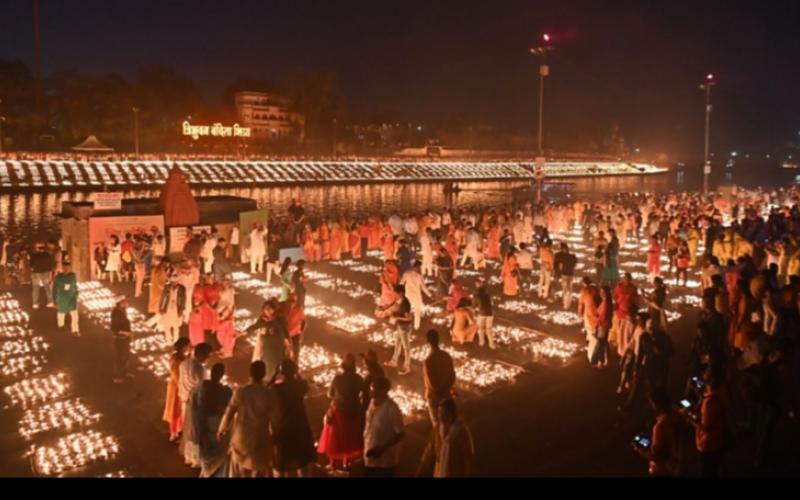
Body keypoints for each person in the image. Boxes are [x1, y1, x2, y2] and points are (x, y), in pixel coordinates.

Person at [218, 361, 277, 478]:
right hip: (259, 438)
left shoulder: (242, 391)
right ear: (264, 374)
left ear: (250, 374)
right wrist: (275, 436)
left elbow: (229, 412)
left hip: (241, 437)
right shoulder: (269, 394)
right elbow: (274, 418)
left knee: (239, 469)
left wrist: (221, 429)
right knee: (257, 470)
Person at [318, 354, 366, 470]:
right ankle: (347, 463)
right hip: (354, 411)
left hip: (339, 412)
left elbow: (330, 394)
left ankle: (333, 464)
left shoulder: (338, 379)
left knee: (336, 439)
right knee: (351, 438)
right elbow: (365, 393)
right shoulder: (358, 378)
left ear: (343, 366)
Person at [271, 359, 316, 477]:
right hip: (300, 426)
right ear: (294, 371)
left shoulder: (277, 389)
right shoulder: (299, 386)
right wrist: (297, 373)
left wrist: (275, 374)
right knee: (302, 462)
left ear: (282, 372)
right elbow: (305, 385)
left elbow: (267, 388)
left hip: (283, 426)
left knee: (281, 464)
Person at [416, 399, 475, 478]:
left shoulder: (461, 432)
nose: (440, 416)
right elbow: (429, 451)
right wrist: (421, 470)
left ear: (452, 414)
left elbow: (468, 456)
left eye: (444, 413)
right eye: (439, 413)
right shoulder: (438, 429)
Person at [687, 368, 729, 477]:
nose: (703, 373)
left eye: (706, 373)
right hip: (718, 439)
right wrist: (701, 396)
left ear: (711, 379)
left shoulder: (709, 403)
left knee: (707, 472)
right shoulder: (718, 393)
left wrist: (690, 419)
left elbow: (706, 428)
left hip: (708, 445)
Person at [194, 363, 233, 478]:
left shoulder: (202, 387)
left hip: (203, 424)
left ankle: (206, 473)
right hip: (218, 425)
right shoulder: (225, 391)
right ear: (222, 375)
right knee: (220, 456)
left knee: (206, 453)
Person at [634, 389, 682, 477]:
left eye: (651, 403)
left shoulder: (660, 426)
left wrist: (640, 450)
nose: (651, 406)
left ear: (656, 405)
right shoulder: (676, 416)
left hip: (661, 471)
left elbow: (656, 456)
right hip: (675, 466)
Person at [363, 377, 405, 477]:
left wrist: (382, 448)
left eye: (373, 389)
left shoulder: (392, 409)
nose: (370, 391)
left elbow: (401, 434)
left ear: (382, 391)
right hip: (370, 454)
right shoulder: (372, 403)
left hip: (385, 460)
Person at [180, 343, 213, 469]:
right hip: (195, 403)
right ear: (202, 354)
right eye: (208, 356)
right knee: (196, 431)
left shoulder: (184, 363)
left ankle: (188, 457)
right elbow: (203, 388)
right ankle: (196, 459)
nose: (208, 359)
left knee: (188, 430)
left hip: (185, 400)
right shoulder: (200, 369)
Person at [248, 300, 289, 381]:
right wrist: (243, 332)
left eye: (270, 309)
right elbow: (254, 326)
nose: (268, 311)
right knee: (266, 362)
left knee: (276, 362)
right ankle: (267, 378)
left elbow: (284, 331)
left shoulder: (279, 319)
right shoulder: (262, 320)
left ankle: (276, 378)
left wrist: (287, 343)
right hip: (266, 346)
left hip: (277, 345)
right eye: (266, 309)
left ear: (274, 309)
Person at [423, 330, 456, 426]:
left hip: (435, 398)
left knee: (438, 426)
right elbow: (452, 376)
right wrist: (449, 388)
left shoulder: (429, 361)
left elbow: (432, 384)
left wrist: (428, 393)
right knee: (449, 423)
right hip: (447, 395)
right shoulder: (446, 356)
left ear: (428, 342)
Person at [164, 338, 191, 443]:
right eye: (188, 346)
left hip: (179, 386)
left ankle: (179, 430)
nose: (189, 348)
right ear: (184, 347)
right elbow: (177, 376)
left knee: (180, 410)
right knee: (175, 410)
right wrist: (183, 388)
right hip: (177, 388)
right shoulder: (176, 360)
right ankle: (173, 434)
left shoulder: (180, 357)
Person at [386, 287, 413, 375]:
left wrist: (397, 317)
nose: (395, 295)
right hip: (400, 326)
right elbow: (394, 307)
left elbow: (408, 318)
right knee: (397, 343)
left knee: (406, 347)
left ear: (401, 293)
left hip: (405, 327)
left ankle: (407, 367)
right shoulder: (399, 301)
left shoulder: (405, 304)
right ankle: (394, 361)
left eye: (396, 294)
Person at [400, 261, 433, 331]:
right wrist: (430, 295)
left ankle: (411, 326)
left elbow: (401, 283)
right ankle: (414, 326)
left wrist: (430, 295)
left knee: (411, 311)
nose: (419, 269)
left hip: (410, 295)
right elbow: (423, 287)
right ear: (416, 267)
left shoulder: (411, 274)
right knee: (415, 311)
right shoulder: (416, 275)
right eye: (419, 267)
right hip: (413, 296)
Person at [110, 295, 135, 383]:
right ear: (120, 303)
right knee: (119, 357)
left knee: (125, 357)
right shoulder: (116, 313)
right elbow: (115, 329)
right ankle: (118, 376)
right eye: (125, 301)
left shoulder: (123, 311)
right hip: (119, 339)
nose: (127, 302)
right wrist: (127, 333)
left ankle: (124, 373)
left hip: (125, 338)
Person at [52, 261, 79, 336]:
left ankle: (75, 330)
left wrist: (76, 292)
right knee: (61, 313)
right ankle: (61, 325)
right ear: (62, 268)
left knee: (74, 315)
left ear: (70, 268)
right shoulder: (58, 278)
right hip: (62, 298)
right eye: (65, 267)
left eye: (68, 267)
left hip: (71, 297)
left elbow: (75, 284)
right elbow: (54, 289)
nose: (66, 269)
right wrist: (54, 300)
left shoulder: (72, 275)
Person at [159, 275, 187, 344]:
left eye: (175, 282)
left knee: (176, 325)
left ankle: (176, 340)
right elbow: (162, 297)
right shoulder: (167, 287)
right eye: (172, 282)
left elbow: (183, 299)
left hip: (176, 308)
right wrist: (161, 307)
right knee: (166, 324)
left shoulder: (182, 288)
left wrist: (181, 309)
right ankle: (168, 339)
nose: (173, 283)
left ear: (178, 282)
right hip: (167, 307)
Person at [30, 241, 55, 309]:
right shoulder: (47, 255)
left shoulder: (34, 255)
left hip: (36, 273)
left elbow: (31, 265)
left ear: (37, 248)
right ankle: (50, 302)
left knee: (36, 288)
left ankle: (35, 303)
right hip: (45, 272)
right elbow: (51, 264)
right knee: (47, 287)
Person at [554, 243, 578, 310]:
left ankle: (565, 304)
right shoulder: (573, 256)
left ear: (564, 250)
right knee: (570, 290)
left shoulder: (563, 257)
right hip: (571, 275)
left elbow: (560, 266)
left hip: (564, 275)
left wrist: (560, 272)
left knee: (564, 290)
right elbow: (575, 265)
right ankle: (569, 304)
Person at [473, 278, 496, 349]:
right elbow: (491, 303)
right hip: (490, 313)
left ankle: (481, 342)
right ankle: (492, 344)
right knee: (489, 329)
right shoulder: (488, 295)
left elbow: (474, 305)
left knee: (480, 328)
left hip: (482, 313)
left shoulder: (476, 295)